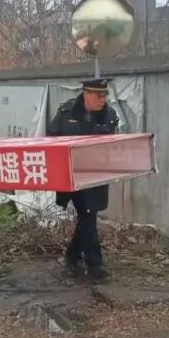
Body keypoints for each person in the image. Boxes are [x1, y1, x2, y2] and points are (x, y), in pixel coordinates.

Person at [47, 77, 119, 281]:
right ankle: (94, 264)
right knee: (88, 216)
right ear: (86, 94)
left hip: (95, 176)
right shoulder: (66, 113)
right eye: (98, 95)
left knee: (88, 216)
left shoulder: (109, 115)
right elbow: (50, 140)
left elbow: (113, 145)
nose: (103, 99)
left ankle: (73, 256)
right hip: (71, 175)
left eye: (105, 95)